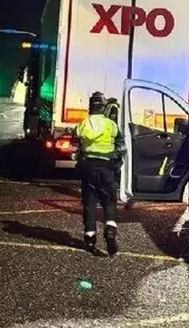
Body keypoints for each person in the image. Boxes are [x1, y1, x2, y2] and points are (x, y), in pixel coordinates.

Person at [73, 92, 126, 256]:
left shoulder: (83, 124)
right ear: (103, 108)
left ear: (90, 108)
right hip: (107, 168)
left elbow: (75, 140)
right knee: (109, 203)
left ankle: (90, 239)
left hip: (88, 168)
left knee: (89, 205)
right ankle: (110, 231)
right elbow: (122, 147)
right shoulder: (111, 125)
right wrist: (116, 160)